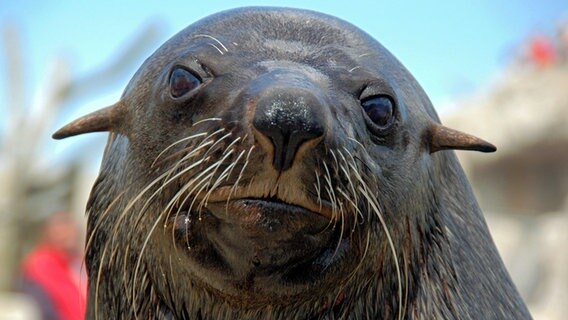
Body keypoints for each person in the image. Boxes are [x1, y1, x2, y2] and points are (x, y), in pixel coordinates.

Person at [20, 211, 87, 320]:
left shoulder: (78, 262)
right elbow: (44, 308)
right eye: (61, 228)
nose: (68, 233)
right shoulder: (41, 265)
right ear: (48, 232)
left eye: (69, 227)